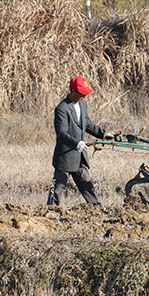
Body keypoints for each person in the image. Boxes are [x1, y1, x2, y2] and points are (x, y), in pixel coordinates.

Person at [47, 76, 116, 208]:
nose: (84, 96)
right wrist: (76, 143)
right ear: (72, 91)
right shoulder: (62, 108)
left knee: (86, 183)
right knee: (57, 188)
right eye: (82, 93)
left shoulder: (82, 104)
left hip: (79, 156)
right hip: (66, 156)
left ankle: (97, 209)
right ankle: (50, 212)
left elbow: (87, 123)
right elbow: (61, 134)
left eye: (86, 94)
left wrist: (103, 133)